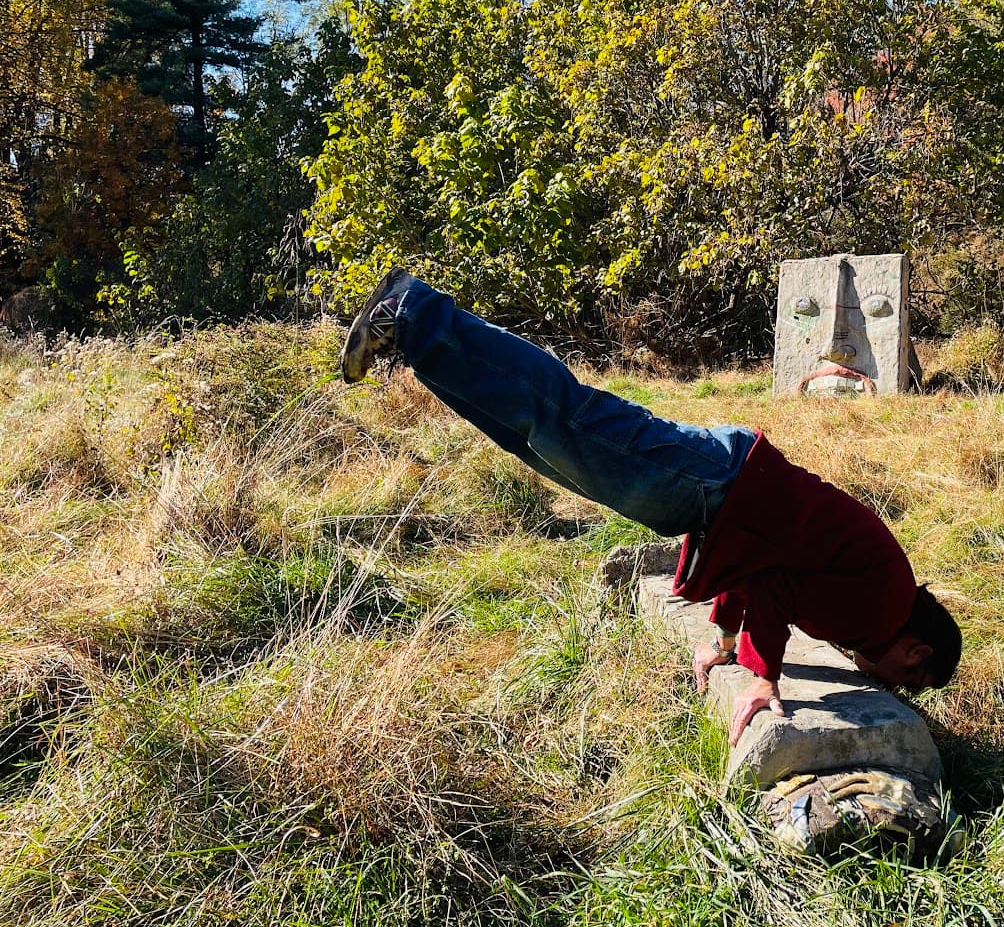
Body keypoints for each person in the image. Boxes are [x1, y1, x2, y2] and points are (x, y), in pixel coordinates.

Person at [338, 269, 961, 745]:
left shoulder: (881, 596)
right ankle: (416, 311)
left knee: (540, 435)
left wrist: (725, 640)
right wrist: (762, 674)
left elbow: (770, 563)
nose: (888, 682)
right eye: (906, 680)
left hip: (725, 491)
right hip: (721, 485)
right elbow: (777, 586)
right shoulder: (881, 610)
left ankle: (411, 337)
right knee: (565, 416)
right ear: (917, 653)